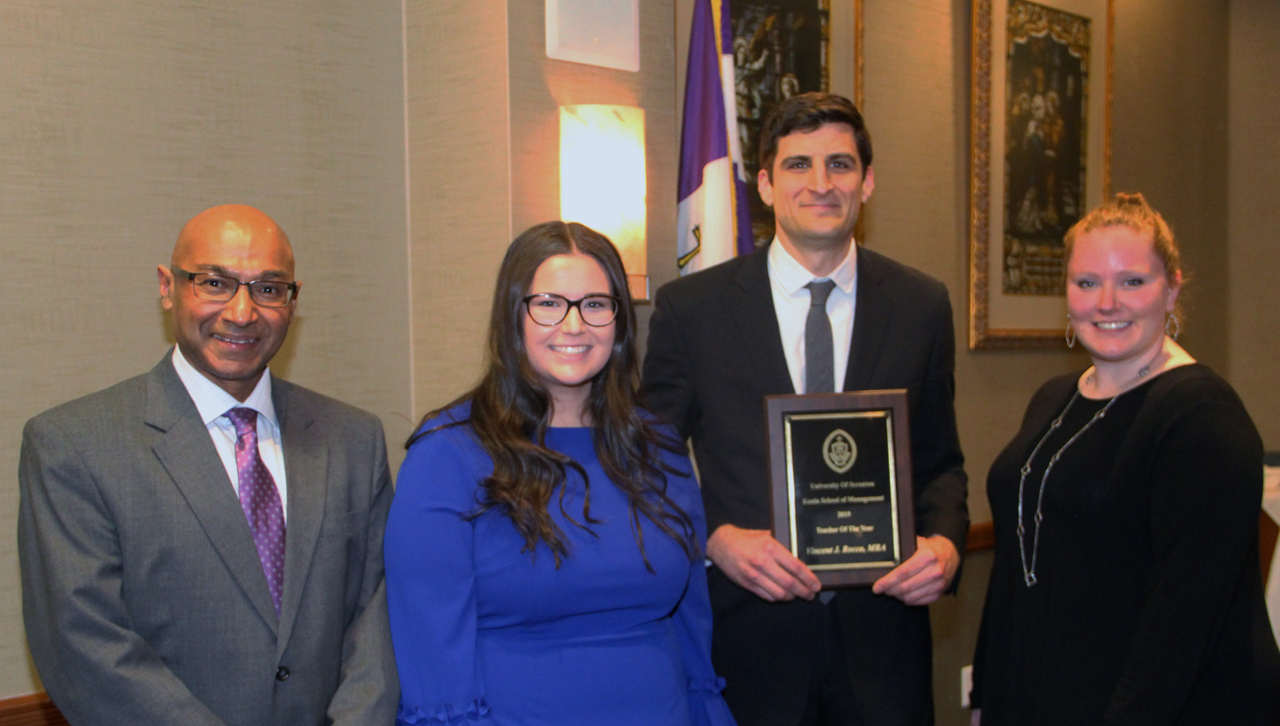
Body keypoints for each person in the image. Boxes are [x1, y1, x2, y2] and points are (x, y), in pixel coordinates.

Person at [644, 92, 969, 726]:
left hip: (884, 650)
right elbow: (650, 463)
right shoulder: (693, 311)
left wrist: (948, 546)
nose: (820, 184)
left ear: (867, 182)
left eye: (840, 165)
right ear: (764, 184)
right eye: (798, 165)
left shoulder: (921, 305)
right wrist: (716, 537)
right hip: (747, 644)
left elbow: (941, 462)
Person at [18, 205, 398, 725]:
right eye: (215, 283)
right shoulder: (74, 445)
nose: (242, 312)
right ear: (167, 287)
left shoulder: (353, 440)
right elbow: (83, 642)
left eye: (268, 289)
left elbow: (375, 621)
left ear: (292, 300)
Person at [385, 221, 735, 726]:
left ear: (619, 320)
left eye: (595, 304)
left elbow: (692, 627)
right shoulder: (448, 454)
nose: (574, 325)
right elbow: (430, 653)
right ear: (513, 316)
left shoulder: (658, 446)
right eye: (549, 303)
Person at [970, 193, 1280, 725]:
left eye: (1132, 281)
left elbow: (1184, 620)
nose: (1106, 302)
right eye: (1087, 282)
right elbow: (1014, 572)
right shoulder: (1053, 397)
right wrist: (985, 702)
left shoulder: (1204, 419)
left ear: (1172, 288)